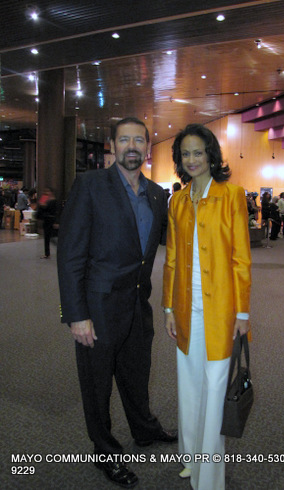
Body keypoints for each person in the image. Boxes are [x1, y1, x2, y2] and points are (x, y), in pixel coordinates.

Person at [57, 117, 177, 489]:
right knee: (97, 386)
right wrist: (77, 315)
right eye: (124, 139)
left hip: (139, 304)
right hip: (98, 308)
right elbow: (70, 255)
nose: (131, 146)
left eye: (138, 140)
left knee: (137, 373)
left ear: (147, 146)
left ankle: (143, 429)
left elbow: (170, 247)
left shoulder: (158, 194)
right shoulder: (90, 185)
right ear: (112, 145)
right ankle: (105, 451)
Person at [162, 123, 252, 490]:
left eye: (198, 152)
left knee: (214, 389)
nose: (192, 159)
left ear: (211, 155)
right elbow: (170, 259)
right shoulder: (178, 201)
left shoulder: (232, 196)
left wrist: (242, 312)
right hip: (185, 308)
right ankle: (189, 458)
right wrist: (168, 307)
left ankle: (209, 476)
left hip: (221, 310)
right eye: (185, 153)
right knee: (189, 384)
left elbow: (241, 258)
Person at [37, 187, 58, 259]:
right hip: (47, 220)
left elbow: (53, 211)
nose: (46, 193)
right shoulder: (48, 200)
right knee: (48, 237)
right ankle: (47, 253)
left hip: (50, 220)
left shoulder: (52, 201)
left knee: (51, 237)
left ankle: (48, 253)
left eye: (48, 191)